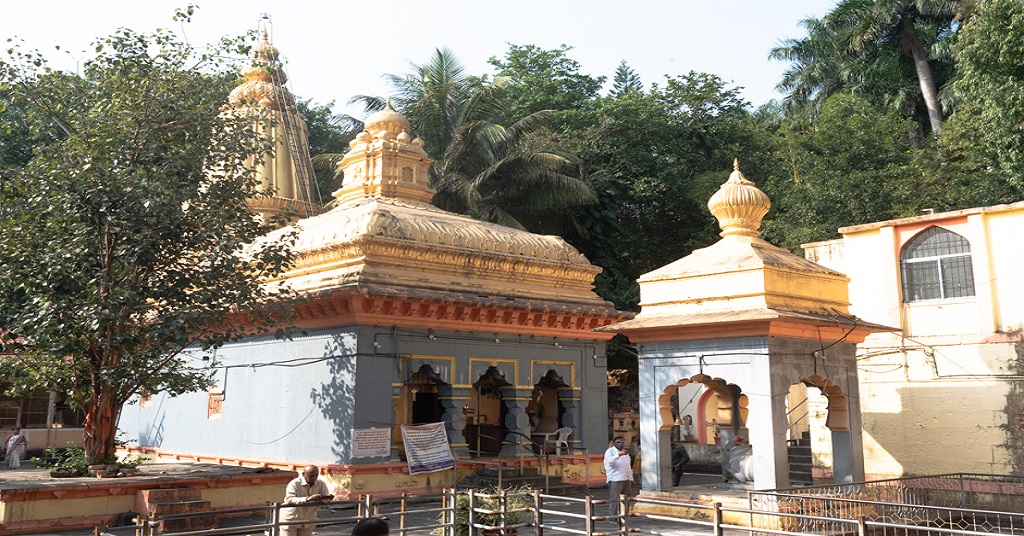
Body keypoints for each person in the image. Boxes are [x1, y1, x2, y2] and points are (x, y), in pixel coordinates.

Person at [281, 465, 334, 536]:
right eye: (311, 476)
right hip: (291, 520)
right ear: (303, 474)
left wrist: (328, 498)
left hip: (308, 521)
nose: (314, 478)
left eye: (316, 475)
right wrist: (307, 499)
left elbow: (326, 501)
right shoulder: (295, 483)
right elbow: (289, 499)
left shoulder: (321, 483)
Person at [603, 435, 633, 518]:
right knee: (615, 499)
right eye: (618, 442)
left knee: (626, 499)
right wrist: (618, 455)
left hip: (626, 478)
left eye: (622, 442)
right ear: (614, 443)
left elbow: (628, 466)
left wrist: (631, 478)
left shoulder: (625, 453)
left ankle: (624, 516)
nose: (620, 444)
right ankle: (613, 517)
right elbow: (609, 462)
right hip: (616, 479)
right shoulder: (610, 451)